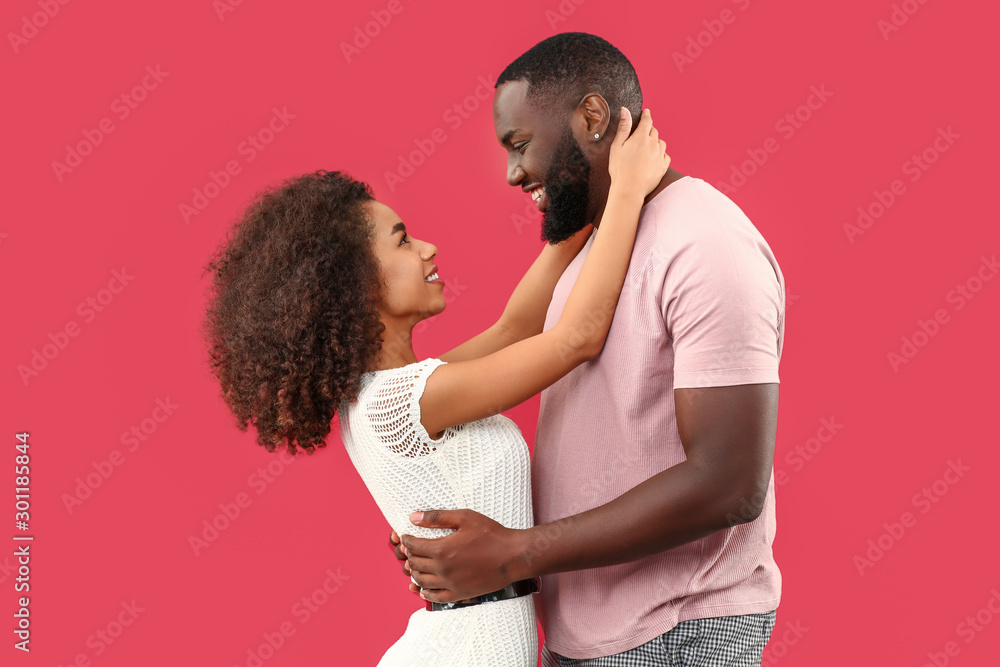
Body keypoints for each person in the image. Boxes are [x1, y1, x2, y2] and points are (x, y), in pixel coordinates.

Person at [201, 107, 669, 665]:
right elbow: (576, 339)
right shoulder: (405, 403)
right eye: (401, 243)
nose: (427, 249)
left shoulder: (400, 391)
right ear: (356, 286)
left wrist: (584, 195)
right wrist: (629, 193)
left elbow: (515, 327)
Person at [392, 32, 786, 666]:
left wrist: (517, 552)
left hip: (676, 632)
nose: (514, 172)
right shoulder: (595, 248)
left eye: (520, 144)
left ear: (593, 118)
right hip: (585, 635)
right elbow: (515, 333)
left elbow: (729, 483)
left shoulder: (708, 243)